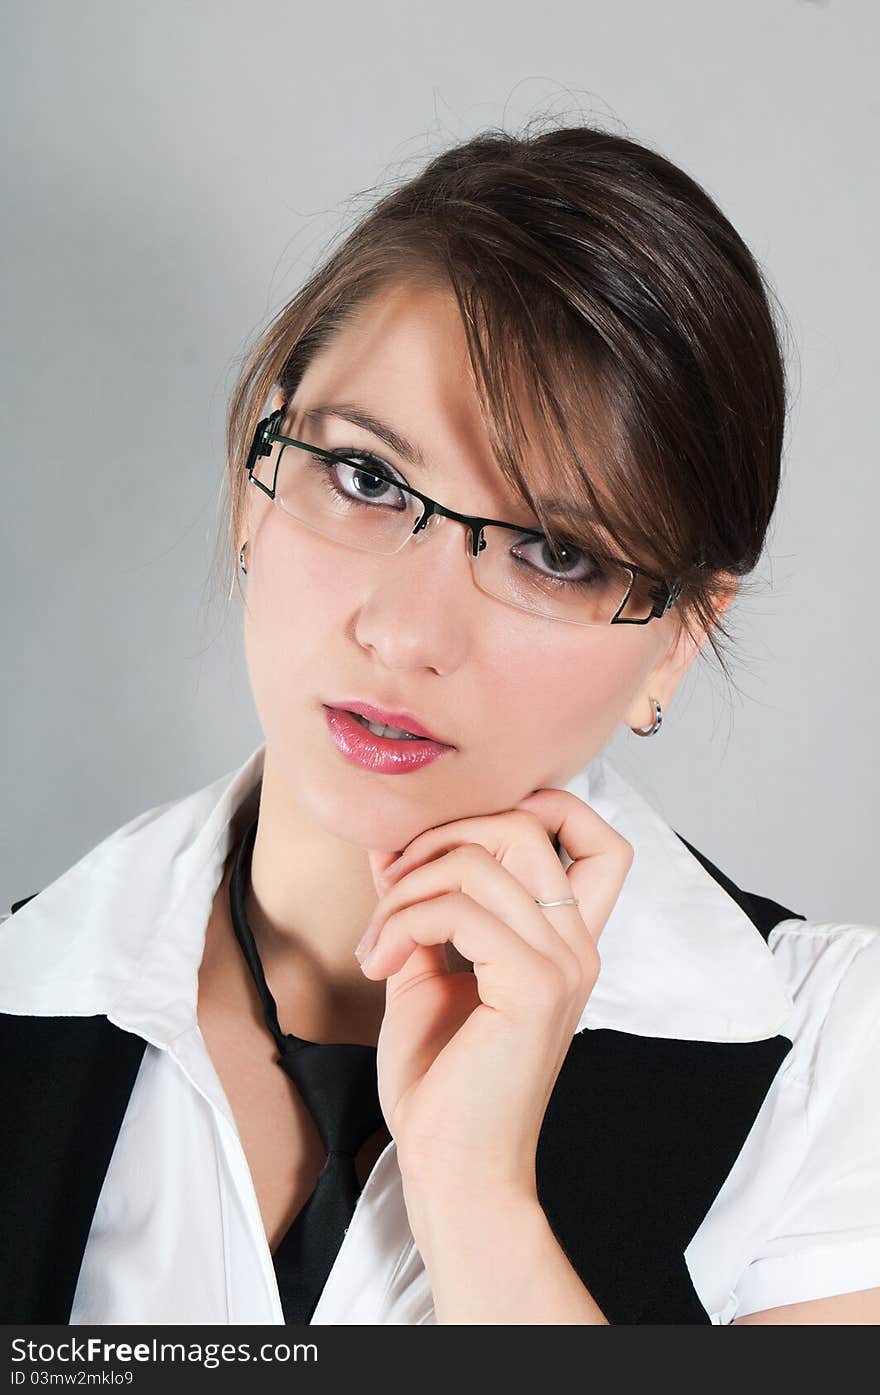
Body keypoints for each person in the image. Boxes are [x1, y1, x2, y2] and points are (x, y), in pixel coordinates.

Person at [2, 122, 878, 1327]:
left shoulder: (835, 1055)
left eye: (555, 553)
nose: (408, 631)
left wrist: (477, 1199)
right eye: (364, 477)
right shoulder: (28, 984)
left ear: (674, 637)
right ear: (255, 472)